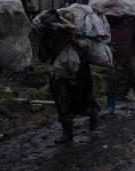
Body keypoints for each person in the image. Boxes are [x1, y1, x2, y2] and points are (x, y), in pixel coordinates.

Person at [35, 16, 99, 144]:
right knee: (61, 100)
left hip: (79, 72)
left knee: (82, 96)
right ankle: (67, 132)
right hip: (60, 73)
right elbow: (43, 56)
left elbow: (81, 54)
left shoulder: (73, 37)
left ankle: (92, 113)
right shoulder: (47, 37)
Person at [103, 15, 135, 114]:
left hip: (129, 56)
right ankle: (110, 105)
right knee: (111, 80)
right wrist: (107, 44)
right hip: (114, 57)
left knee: (133, 77)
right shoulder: (108, 23)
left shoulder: (131, 24)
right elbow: (104, 38)